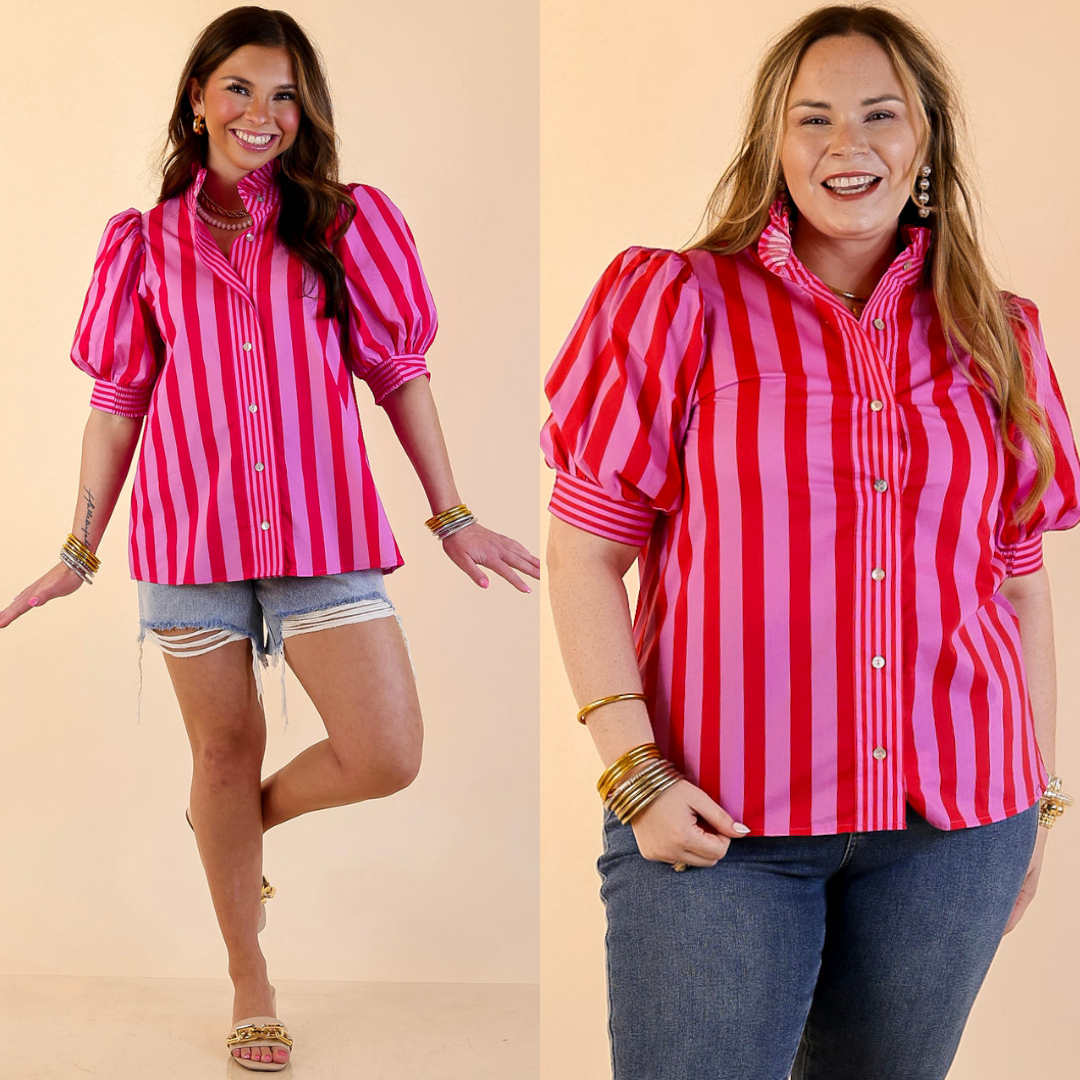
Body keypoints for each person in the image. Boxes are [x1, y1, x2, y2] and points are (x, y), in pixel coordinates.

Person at [542, 6, 1078, 1078]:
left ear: (925, 140)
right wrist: (630, 772)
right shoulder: (678, 300)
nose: (849, 145)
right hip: (718, 822)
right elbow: (586, 552)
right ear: (773, 145)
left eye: (881, 115)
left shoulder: (996, 332)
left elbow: (1018, 585)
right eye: (814, 118)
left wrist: (1039, 804)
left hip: (955, 825)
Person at [0, 6, 538, 1071]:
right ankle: (251, 979)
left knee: (386, 753)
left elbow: (399, 377)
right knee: (221, 751)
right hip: (188, 541)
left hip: (325, 532)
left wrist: (454, 515)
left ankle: (230, 831)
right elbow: (118, 404)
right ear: (198, 97)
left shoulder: (346, 223)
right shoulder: (143, 242)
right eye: (241, 87)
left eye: (285, 94)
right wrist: (77, 550)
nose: (263, 112)